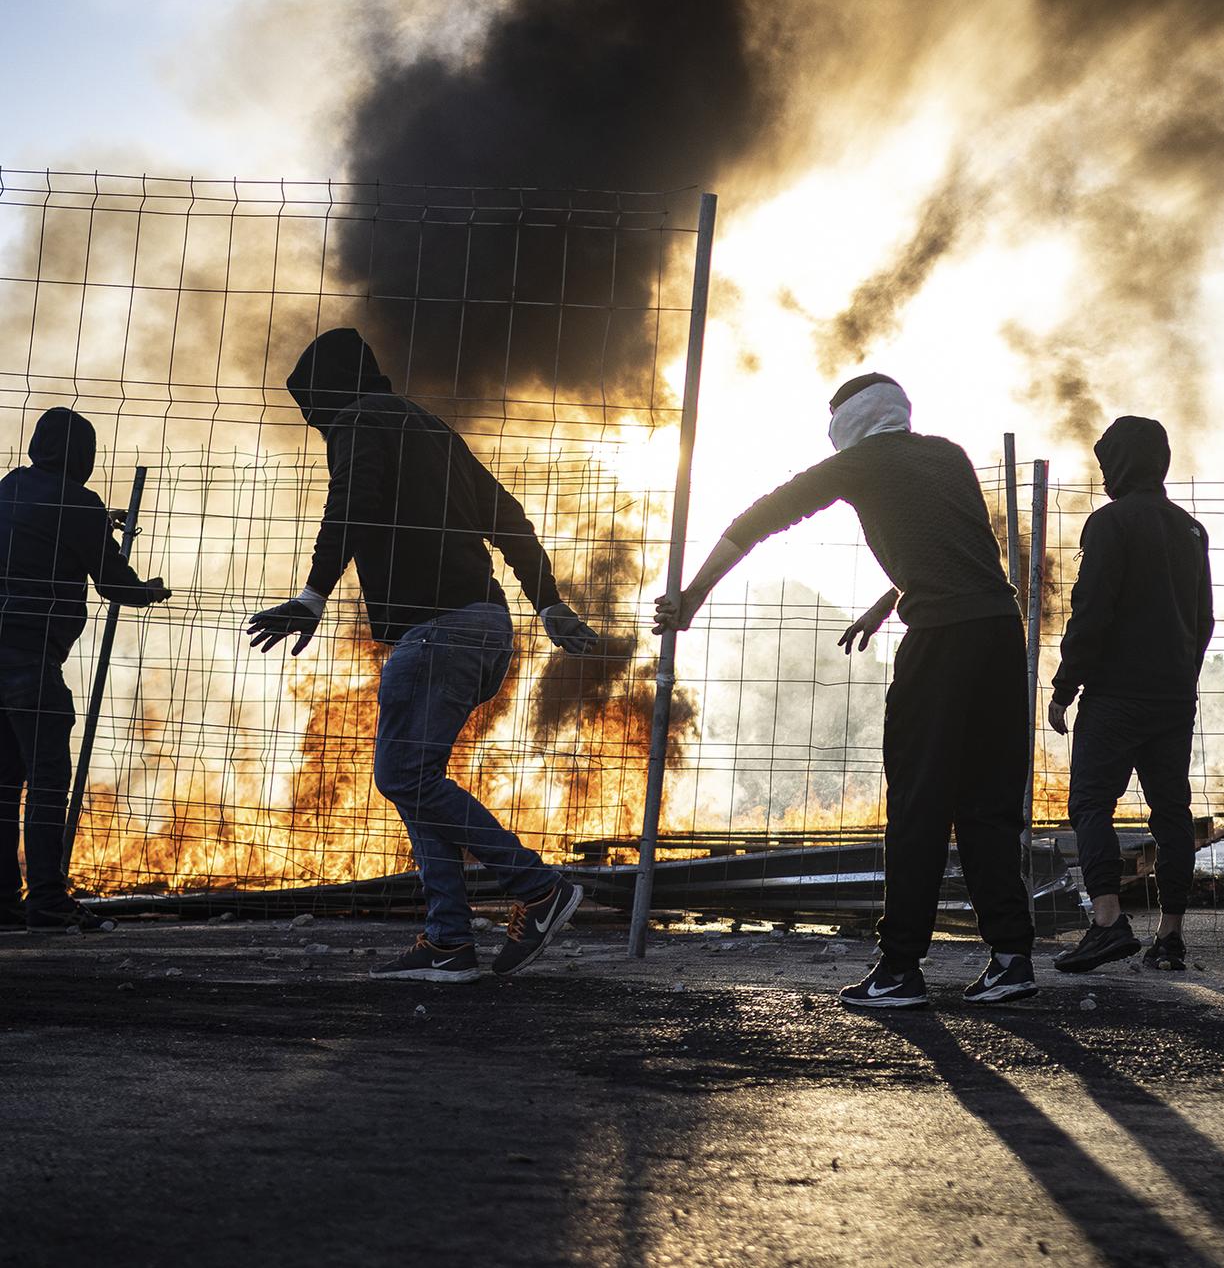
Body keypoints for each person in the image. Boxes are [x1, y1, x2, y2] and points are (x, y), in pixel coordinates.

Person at [654, 373, 1036, 1010]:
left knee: (918, 805)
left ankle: (898, 971)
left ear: (846, 425)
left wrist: (692, 597)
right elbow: (965, 552)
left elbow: (757, 519)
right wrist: (892, 601)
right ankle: (1011, 960)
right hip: (999, 636)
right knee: (987, 807)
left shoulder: (859, 463)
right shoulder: (947, 454)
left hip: (941, 645)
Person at [247, 328, 602, 983]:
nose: (320, 426)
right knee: (417, 782)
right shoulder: (430, 429)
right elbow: (509, 517)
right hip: (483, 627)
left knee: (403, 775)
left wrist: (312, 594)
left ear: (334, 392)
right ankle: (448, 942)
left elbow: (352, 501)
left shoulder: (360, 418)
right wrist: (548, 604)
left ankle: (539, 889)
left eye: (316, 411)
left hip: (438, 631)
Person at [1046, 416, 1212, 974]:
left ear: (1119, 463)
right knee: (1172, 812)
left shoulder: (1110, 523)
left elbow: (1092, 613)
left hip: (1115, 695)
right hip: (1172, 699)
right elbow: (1204, 619)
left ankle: (1108, 922)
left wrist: (1066, 685)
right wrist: (1182, 679)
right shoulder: (1191, 530)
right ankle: (1170, 937)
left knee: (1091, 803)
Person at [0, 408, 172, 932]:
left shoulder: (8, 489)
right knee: (49, 777)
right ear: (84, 457)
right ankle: (48, 901)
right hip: (30, 657)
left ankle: (5, 899)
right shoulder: (79, 502)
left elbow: (40, 528)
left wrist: (97, 522)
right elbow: (115, 584)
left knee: (5, 781)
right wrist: (152, 590)